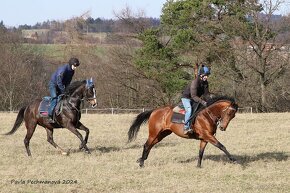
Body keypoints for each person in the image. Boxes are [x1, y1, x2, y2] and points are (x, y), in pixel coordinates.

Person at [48, 57, 80, 122]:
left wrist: (67, 89)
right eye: (75, 66)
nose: (75, 67)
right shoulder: (63, 70)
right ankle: (50, 116)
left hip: (60, 85)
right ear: (71, 64)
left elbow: (68, 81)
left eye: (76, 66)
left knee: (64, 98)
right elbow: (58, 81)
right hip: (53, 84)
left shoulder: (72, 71)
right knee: (55, 98)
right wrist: (63, 90)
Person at [181, 65, 211, 134]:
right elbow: (194, 96)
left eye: (207, 75)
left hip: (195, 98)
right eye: (205, 75)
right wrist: (203, 102)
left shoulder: (205, 83)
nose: (206, 77)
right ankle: (186, 127)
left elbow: (206, 94)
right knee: (189, 110)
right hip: (187, 98)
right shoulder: (195, 82)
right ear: (201, 75)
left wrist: (210, 101)